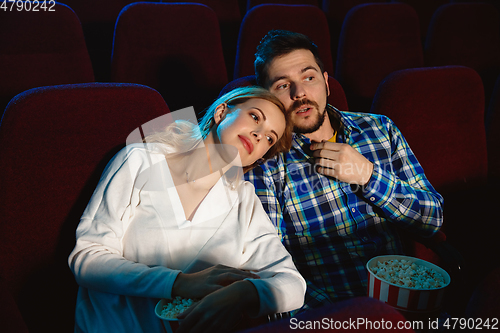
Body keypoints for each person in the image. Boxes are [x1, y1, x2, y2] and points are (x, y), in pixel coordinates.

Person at [68, 86, 305, 333]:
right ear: (222, 112)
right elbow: (87, 258)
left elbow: (293, 285)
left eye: (269, 138)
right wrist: (179, 283)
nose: (259, 135)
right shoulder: (140, 160)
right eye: (255, 117)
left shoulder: (244, 201)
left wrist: (244, 292)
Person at [244, 30, 444, 310]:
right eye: (282, 85)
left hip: (407, 303)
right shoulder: (265, 162)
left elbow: (433, 219)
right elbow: (271, 268)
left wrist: (369, 177)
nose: (299, 93)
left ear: (326, 84)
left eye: (309, 77)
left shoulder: (380, 129)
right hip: (333, 313)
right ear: (268, 98)